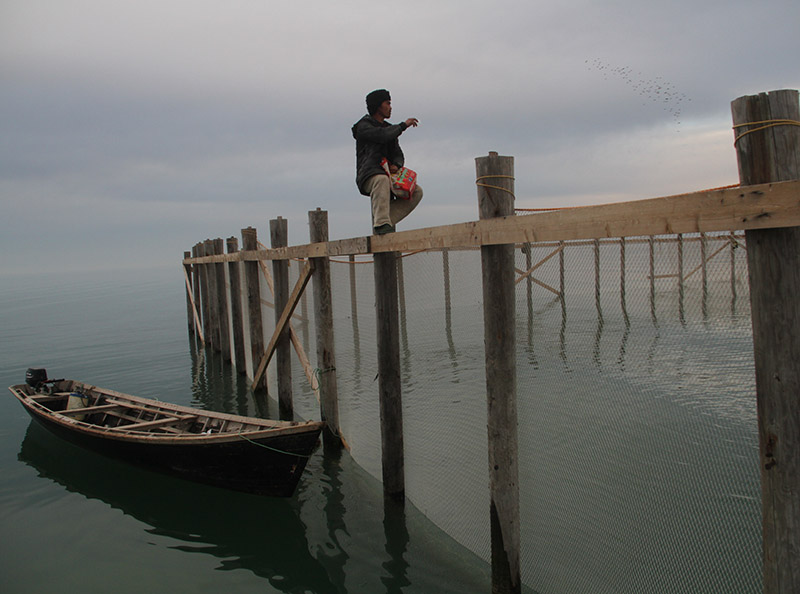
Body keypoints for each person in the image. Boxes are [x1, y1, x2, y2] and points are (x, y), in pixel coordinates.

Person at [352, 89, 423, 235]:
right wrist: (403, 126)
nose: (390, 107)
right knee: (381, 179)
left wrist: (396, 165)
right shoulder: (363, 126)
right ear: (378, 106)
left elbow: (398, 153)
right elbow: (382, 136)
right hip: (368, 175)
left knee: (416, 191)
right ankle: (381, 223)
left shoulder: (389, 128)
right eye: (388, 103)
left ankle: (385, 222)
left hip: (388, 175)